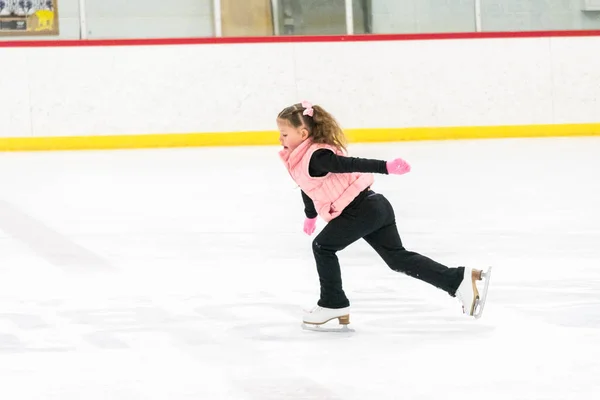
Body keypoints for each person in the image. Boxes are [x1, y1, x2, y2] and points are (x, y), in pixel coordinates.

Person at [277, 101, 491, 328]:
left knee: (323, 246)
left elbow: (348, 164)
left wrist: (386, 167)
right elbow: (308, 187)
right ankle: (458, 279)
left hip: (360, 211)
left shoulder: (316, 156)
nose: (280, 139)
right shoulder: (300, 159)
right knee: (397, 259)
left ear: (302, 133)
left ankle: (333, 302)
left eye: (284, 134)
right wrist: (310, 215)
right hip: (374, 207)